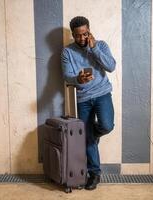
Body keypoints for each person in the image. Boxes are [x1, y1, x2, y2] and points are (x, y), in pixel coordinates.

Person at [61, 16, 116, 190]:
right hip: (83, 98)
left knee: (106, 126)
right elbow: (67, 75)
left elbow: (111, 66)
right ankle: (95, 173)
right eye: (78, 35)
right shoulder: (67, 52)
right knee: (87, 138)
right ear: (73, 34)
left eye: (85, 34)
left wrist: (94, 50)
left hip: (102, 93)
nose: (82, 38)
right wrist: (78, 78)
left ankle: (92, 133)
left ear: (89, 30)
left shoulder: (100, 45)